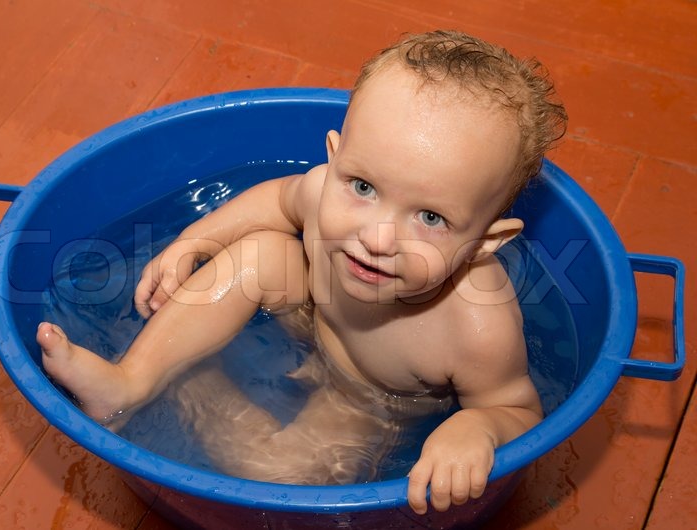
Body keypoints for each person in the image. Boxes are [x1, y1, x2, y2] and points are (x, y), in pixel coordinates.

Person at [36, 30, 567, 515]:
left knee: (283, 472)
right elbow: (277, 200)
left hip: (371, 396)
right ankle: (129, 382)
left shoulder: (475, 324)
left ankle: (194, 381)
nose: (376, 237)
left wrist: (477, 425)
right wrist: (194, 242)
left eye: (430, 218)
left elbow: (517, 409)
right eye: (362, 187)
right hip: (309, 313)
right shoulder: (324, 192)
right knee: (263, 253)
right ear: (335, 159)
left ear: (484, 242)